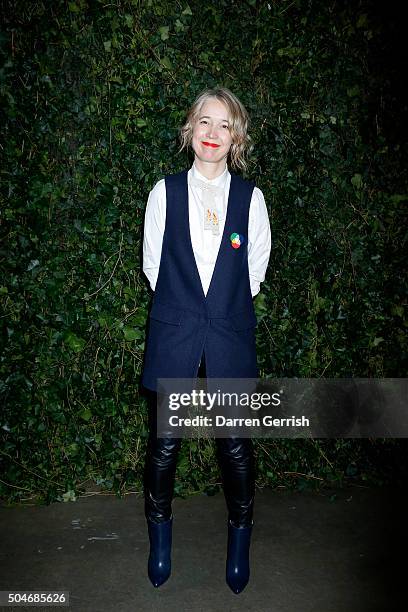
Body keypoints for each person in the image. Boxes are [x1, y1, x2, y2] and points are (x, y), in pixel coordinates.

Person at [141, 87, 271, 594]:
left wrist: (220, 306)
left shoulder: (251, 198)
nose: (213, 134)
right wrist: (189, 309)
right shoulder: (164, 192)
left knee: (235, 448)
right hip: (175, 333)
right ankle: (160, 543)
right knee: (164, 447)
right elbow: (156, 266)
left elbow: (254, 268)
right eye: (204, 123)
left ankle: (240, 542)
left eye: (224, 126)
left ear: (236, 137)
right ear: (190, 131)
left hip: (229, 333)